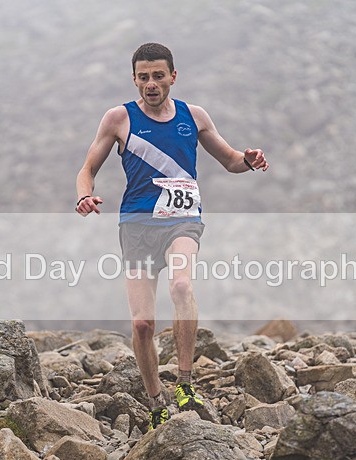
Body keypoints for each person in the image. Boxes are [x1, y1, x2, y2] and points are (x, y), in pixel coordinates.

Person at [75, 42, 269, 430]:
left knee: (181, 286)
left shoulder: (193, 116)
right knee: (142, 324)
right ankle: (156, 401)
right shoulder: (118, 119)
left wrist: (248, 161)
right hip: (137, 225)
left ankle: (184, 383)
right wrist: (84, 196)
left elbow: (230, 160)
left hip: (182, 220)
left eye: (158, 76)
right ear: (134, 79)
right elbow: (87, 169)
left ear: (172, 77)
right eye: (143, 77)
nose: (150, 83)